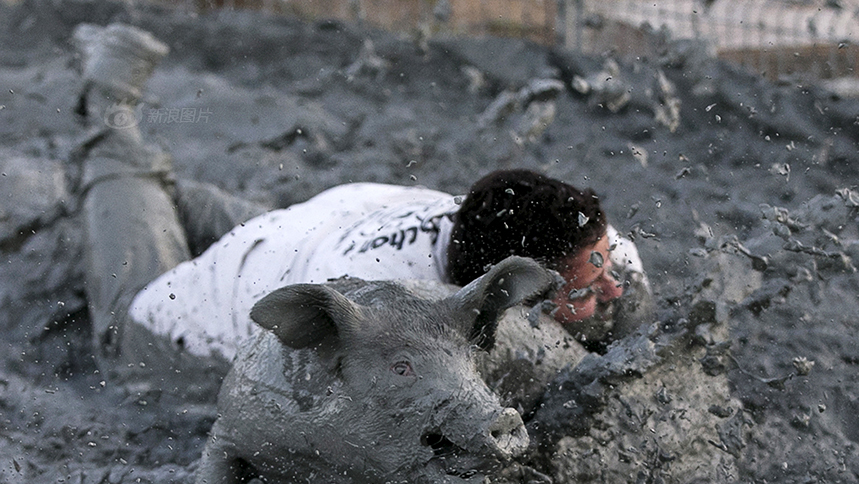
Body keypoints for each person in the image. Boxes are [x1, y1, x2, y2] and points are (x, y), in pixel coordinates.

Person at [73, 24, 652, 402]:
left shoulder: (566, 229)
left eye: (604, 271)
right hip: (194, 306)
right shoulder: (390, 318)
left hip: (312, 226)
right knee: (125, 298)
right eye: (589, 291)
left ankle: (160, 187)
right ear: (501, 288)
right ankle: (108, 105)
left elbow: (629, 297)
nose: (613, 291)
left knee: (196, 210)